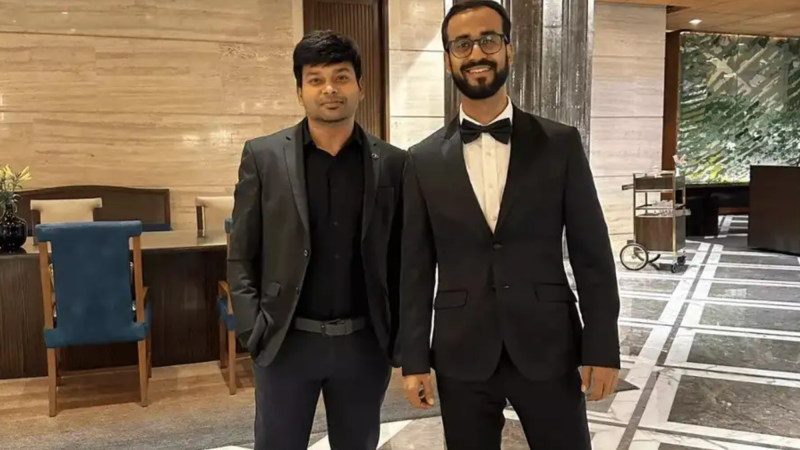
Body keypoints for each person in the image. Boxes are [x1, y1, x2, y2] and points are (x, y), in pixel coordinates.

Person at [399, 1, 621, 448]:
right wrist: (414, 359)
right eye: (462, 44)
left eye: (488, 40)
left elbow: (592, 254)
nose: (476, 53)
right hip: (462, 350)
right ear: (448, 59)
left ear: (509, 49)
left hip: (549, 343)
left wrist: (602, 346)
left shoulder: (560, 144)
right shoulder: (421, 160)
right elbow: (415, 270)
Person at [228, 30, 407, 450]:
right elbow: (241, 253)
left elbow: (403, 257)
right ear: (300, 91)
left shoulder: (393, 163)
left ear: (360, 87)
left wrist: (400, 336)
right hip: (286, 340)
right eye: (316, 79)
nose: (329, 88)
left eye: (341, 77)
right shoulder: (263, 156)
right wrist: (253, 328)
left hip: (364, 344)